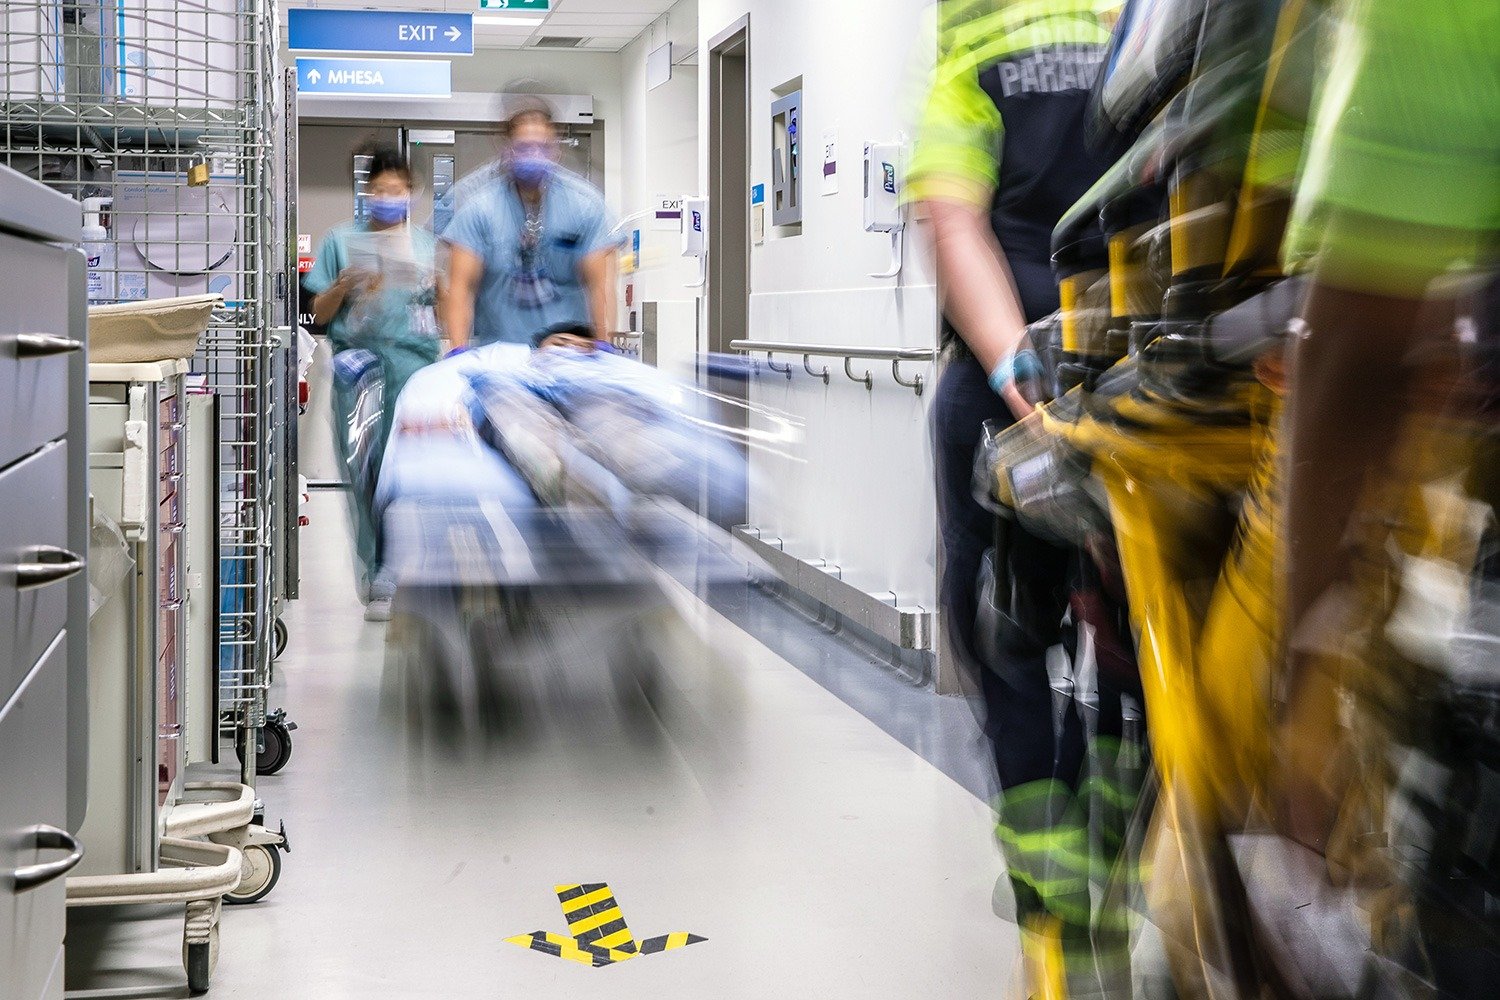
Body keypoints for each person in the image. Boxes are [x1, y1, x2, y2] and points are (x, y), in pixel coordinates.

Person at [907, 0, 1122, 981]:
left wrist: (1021, 389)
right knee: (1122, 618)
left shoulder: (976, 45)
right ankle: (1083, 836)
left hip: (1018, 381)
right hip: (1140, 375)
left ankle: (1048, 853)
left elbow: (955, 222)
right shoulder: (1164, 27)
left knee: (999, 617)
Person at [304, 144, 440, 621]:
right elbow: (318, 314)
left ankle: (413, 567)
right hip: (358, 368)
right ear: (367, 192)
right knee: (366, 473)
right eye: (380, 191)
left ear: (412, 193)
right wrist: (342, 286)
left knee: (412, 471)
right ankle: (378, 572)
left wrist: (435, 285)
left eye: (398, 191)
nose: (389, 198)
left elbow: (444, 313)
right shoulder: (341, 239)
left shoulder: (428, 246)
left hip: (416, 368)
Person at [438, 97, 620, 350]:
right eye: (524, 147)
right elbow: (460, 289)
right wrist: (458, 349)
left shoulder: (584, 205)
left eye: (542, 147)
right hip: (501, 354)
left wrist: (603, 344)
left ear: (556, 150)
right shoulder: (480, 209)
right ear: (507, 150)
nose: (534, 155)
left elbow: (600, 287)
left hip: (569, 354)